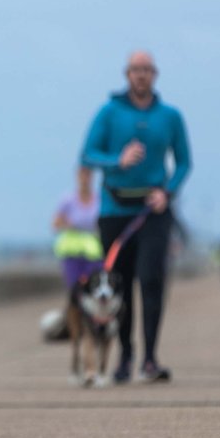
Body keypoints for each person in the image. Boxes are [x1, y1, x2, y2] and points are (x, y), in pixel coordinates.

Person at [81, 51, 191, 384]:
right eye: (135, 70)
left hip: (153, 211)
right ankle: (125, 357)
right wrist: (118, 160)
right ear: (126, 74)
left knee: (152, 280)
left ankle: (150, 359)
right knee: (120, 286)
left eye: (146, 70)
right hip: (115, 211)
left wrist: (167, 191)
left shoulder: (170, 116)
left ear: (154, 74)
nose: (141, 75)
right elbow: (87, 154)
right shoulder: (109, 113)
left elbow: (184, 162)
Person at [52, 166, 103, 289]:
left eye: (88, 175)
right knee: (75, 287)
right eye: (82, 175)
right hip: (72, 251)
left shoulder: (99, 199)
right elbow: (55, 224)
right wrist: (70, 225)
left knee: (94, 285)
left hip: (93, 251)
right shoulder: (68, 200)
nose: (85, 179)